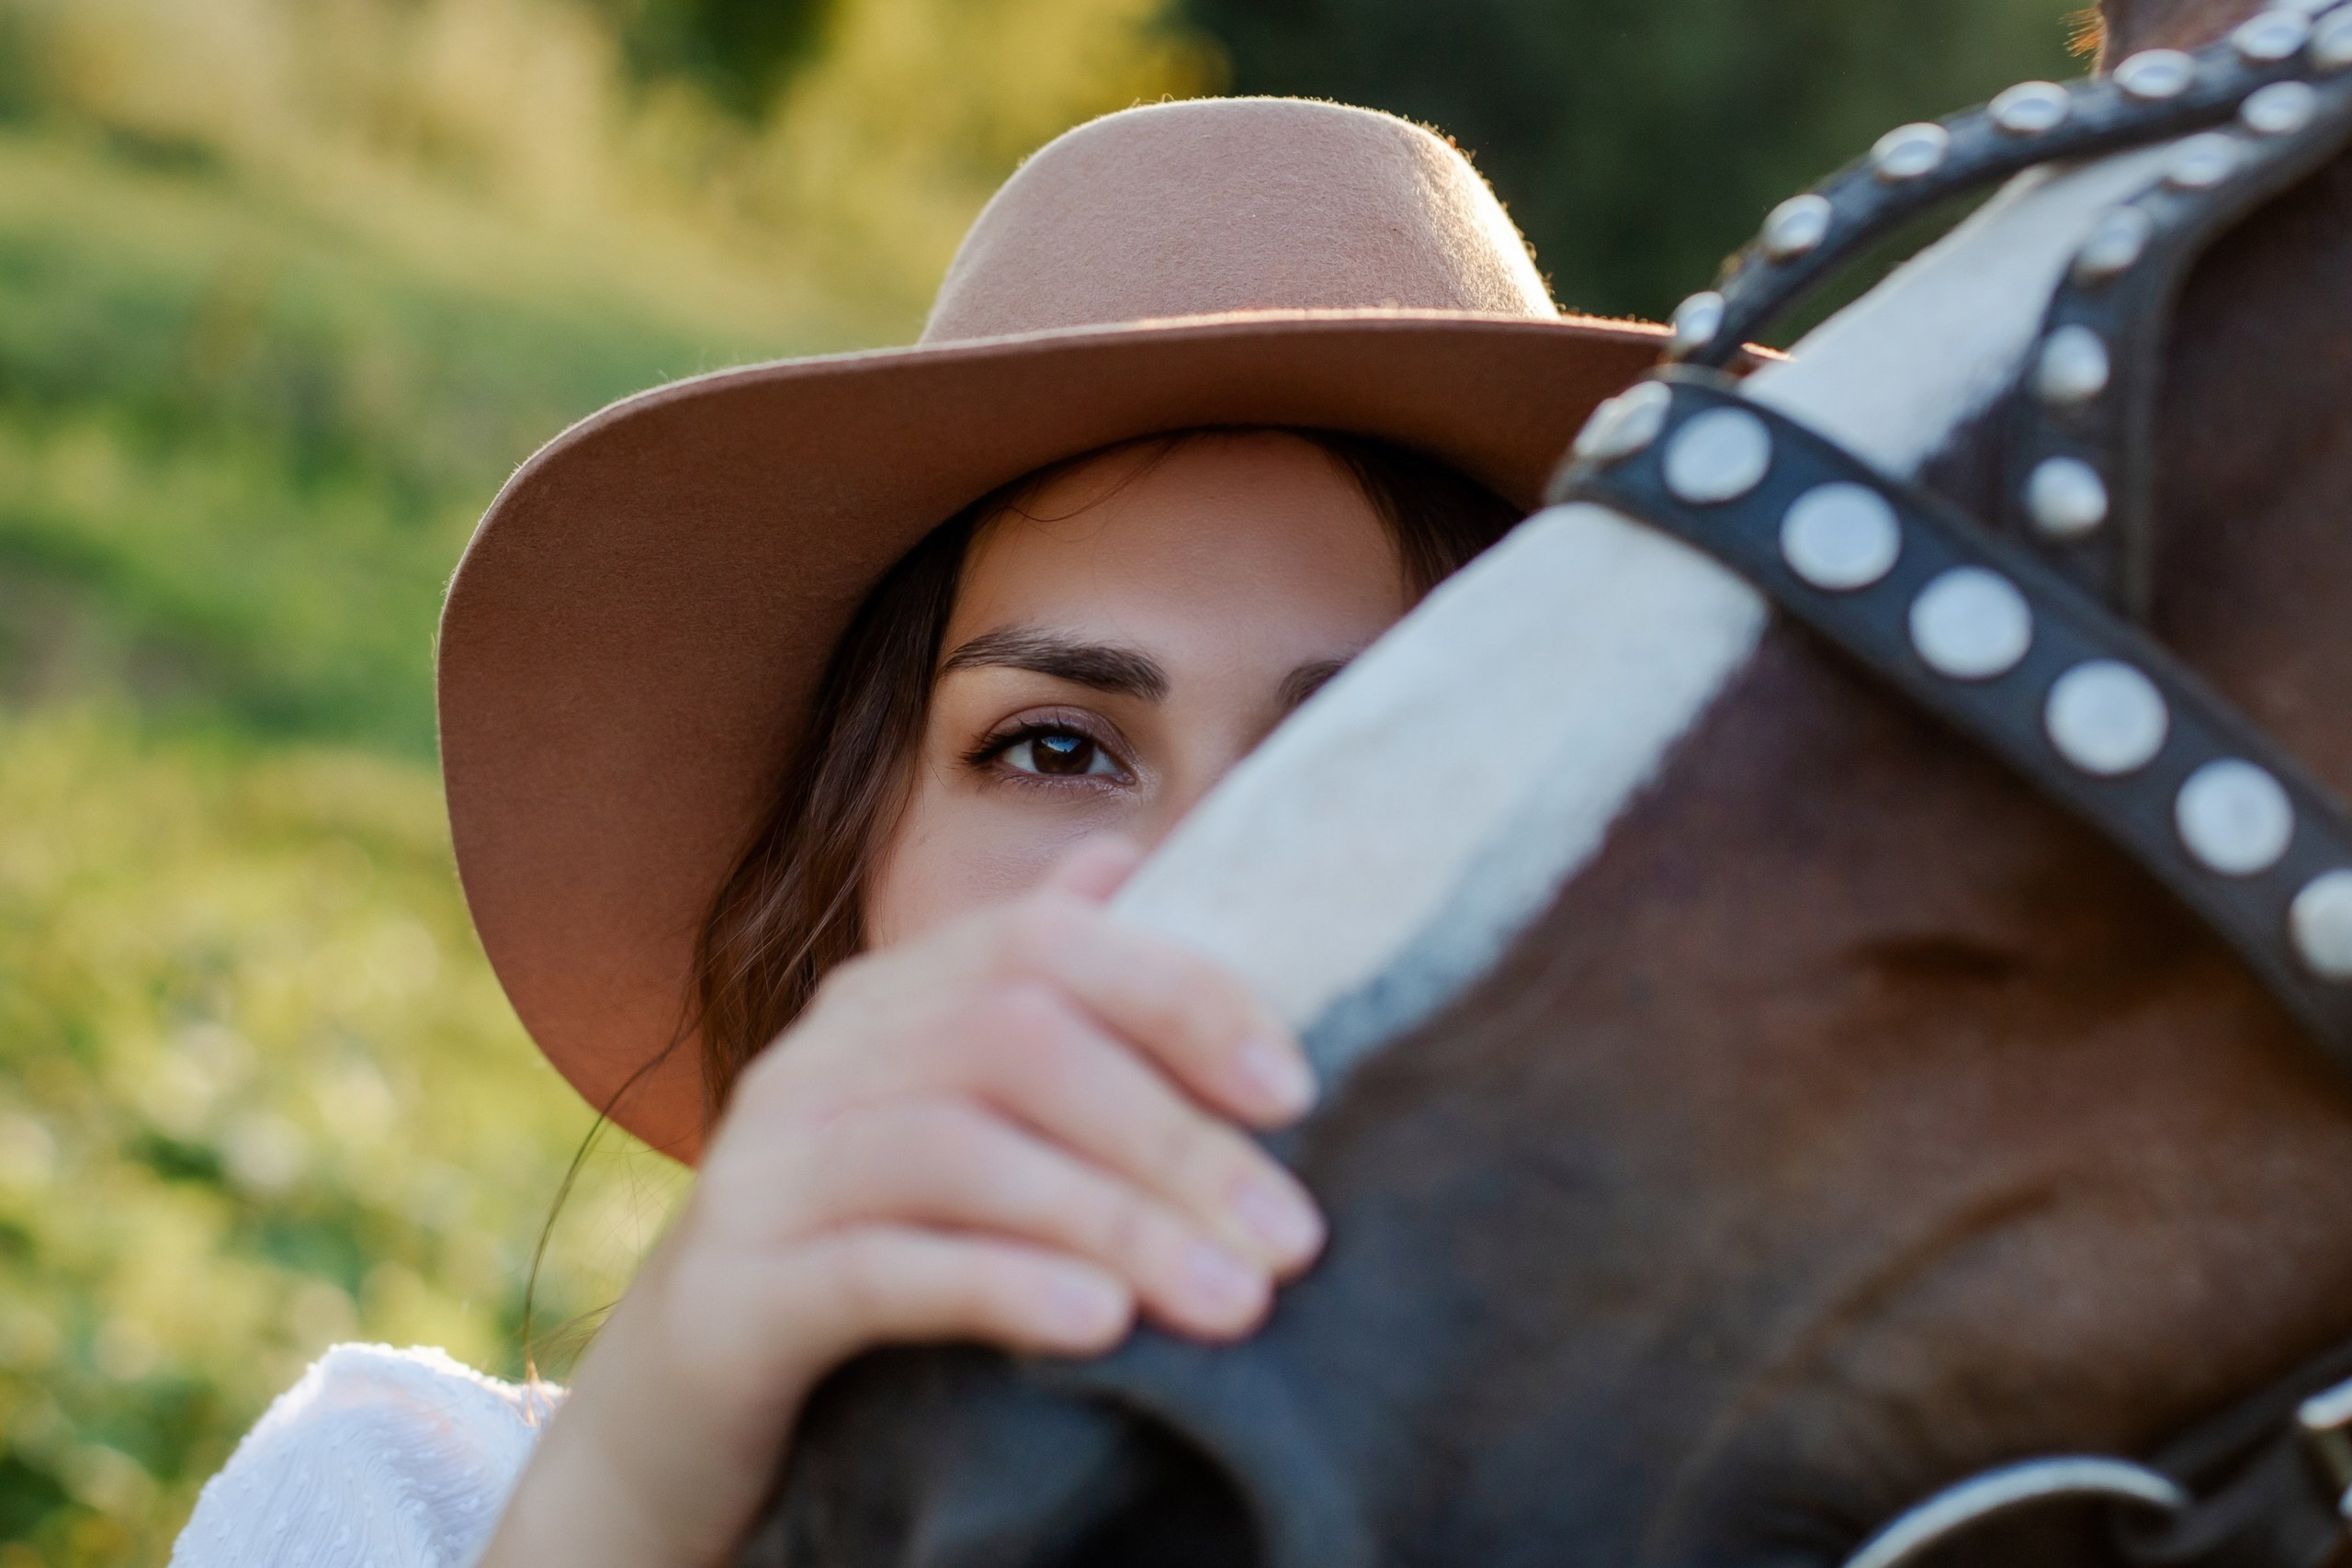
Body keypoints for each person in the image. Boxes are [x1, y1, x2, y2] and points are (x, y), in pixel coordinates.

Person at [167, 96, 1661, 1567]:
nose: (1201, 888)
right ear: (851, 877)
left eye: (1370, 760)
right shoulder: (413, 1510)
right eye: (1058, 749)